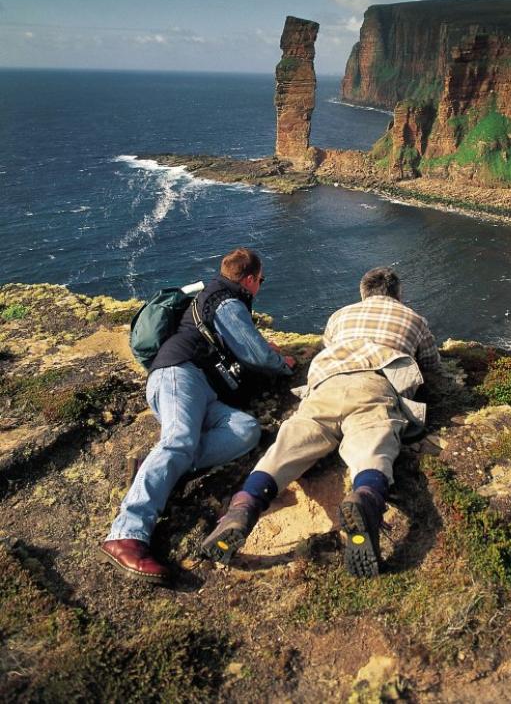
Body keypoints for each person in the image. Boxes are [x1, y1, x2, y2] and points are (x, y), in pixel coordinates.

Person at [202, 266, 440, 577]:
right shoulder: (414, 319)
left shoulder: (340, 316)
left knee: (288, 446)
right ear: (398, 295)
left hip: (326, 385)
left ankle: (243, 507)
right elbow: (431, 365)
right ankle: (365, 498)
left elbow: (330, 345)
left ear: (363, 293)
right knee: (373, 446)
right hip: (374, 384)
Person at [99, 247, 295, 584]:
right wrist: (283, 364)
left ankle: (160, 467)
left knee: (245, 429)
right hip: (179, 373)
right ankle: (126, 534)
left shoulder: (216, 297)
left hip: (202, 387)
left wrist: (266, 348)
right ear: (249, 279)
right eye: (261, 279)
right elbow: (254, 352)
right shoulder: (226, 300)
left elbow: (240, 345)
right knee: (179, 441)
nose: (261, 285)